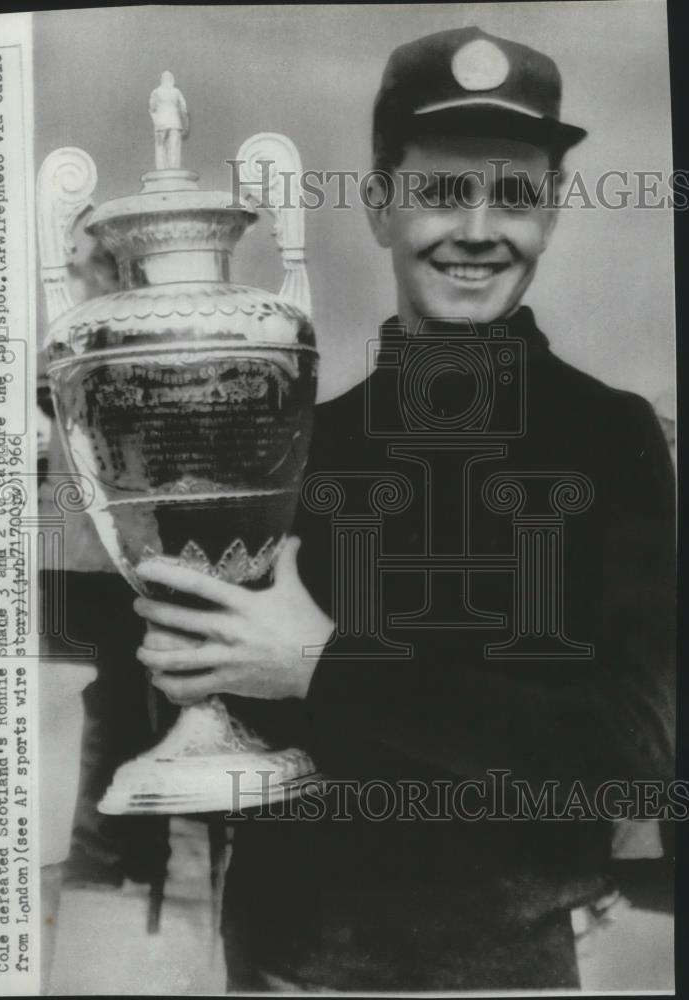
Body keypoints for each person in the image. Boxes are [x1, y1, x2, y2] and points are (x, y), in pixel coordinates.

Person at [131, 26, 675, 991]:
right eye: (441, 191)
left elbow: (623, 758)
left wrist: (318, 667)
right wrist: (188, 652)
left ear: (550, 212)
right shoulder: (293, 442)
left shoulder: (613, 438)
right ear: (380, 208)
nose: (478, 229)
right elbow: (219, 736)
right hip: (286, 967)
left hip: (510, 970)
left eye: (513, 194)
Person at [149, 70, 189, 170]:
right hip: (174, 123)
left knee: (160, 149)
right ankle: (173, 170)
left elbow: (152, 108)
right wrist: (186, 124)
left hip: (160, 124)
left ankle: (161, 170)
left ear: (162, 80)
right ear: (172, 80)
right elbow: (184, 109)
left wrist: (156, 120)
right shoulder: (176, 92)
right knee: (174, 149)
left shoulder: (156, 92)